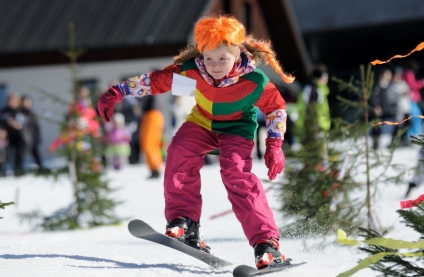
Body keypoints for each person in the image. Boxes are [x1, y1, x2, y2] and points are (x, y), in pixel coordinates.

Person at [98, 14, 293, 270]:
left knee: (236, 175)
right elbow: (156, 82)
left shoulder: (254, 81)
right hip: (202, 122)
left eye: (222, 58)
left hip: (237, 129)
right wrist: (118, 91)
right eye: (209, 57)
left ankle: (267, 244)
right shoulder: (192, 72)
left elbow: (276, 109)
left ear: (238, 52)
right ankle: (185, 221)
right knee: (179, 151)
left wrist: (275, 145)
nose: (214, 65)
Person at [295, 64, 331, 144]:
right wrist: (312, 125)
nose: (326, 79)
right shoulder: (313, 89)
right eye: (324, 77)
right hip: (315, 126)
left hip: (322, 125)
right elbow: (307, 108)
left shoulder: (321, 89)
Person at [0, 93, 27, 176]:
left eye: (14, 101)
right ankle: (2, 171)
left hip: (19, 136)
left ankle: (18, 171)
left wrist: (18, 125)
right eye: (10, 101)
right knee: (5, 154)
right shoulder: (3, 111)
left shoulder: (21, 111)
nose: (12, 102)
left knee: (19, 155)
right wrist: (3, 129)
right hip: (7, 137)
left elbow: (26, 123)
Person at [370, 69, 398, 150]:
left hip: (387, 110)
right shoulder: (378, 85)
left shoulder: (389, 85)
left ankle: (392, 142)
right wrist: (376, 106)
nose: (389, 77)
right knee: (376, 127)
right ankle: (375, 144)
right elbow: (373, 97)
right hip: (378, 111)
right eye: (387, 75)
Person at [402, 60, 424, 137]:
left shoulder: (404, 73)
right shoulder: (408, 73)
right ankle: (413, 136)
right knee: (416, 118)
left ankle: (414, 135)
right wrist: (423, 83)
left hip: (410, 100)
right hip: (411, 100)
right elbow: (413, 86)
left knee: (415, 118)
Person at [139, 95, 165, 178]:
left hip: (151, 115)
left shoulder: (148, 85)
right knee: (154, 144)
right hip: (155, 114)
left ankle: (155, 168)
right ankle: (156, 167)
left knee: (148, 143)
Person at [21, 95, 48, 174]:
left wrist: (38, 137)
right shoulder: (20, 113)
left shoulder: (32, 114)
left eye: (28, 102)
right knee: (22, 155)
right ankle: (19, 170)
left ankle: (41, 169)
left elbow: (36, 127)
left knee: (36, 154)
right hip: (23, 139)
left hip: (33, 139)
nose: (27, 103)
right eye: (25, 101)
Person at [390, 67, 411, 146]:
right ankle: (393, 141)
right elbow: (391, 98)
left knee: (407, 124)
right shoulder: (392, 86)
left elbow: (408, 92)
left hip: (405, 108)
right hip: (398, 109)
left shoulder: (403, 83)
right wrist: (400, 94)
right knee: (398, 125)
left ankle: (404, 139)